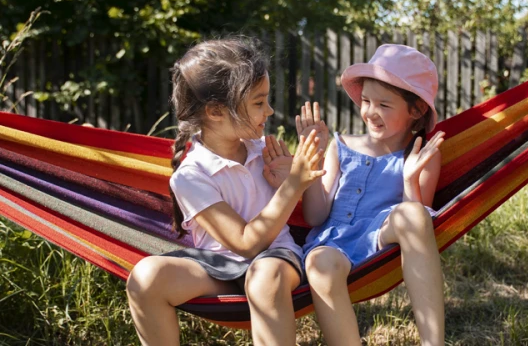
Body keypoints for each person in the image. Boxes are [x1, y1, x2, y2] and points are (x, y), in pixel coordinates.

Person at [126, 37, 326, 346]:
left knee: (264, 277)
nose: (270, 111)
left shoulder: (267, 152)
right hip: (218, 269)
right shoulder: (191, 176)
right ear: (216, 111)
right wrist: (292, 186)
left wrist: (298, 180)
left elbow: (308, 216)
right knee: (146, 276)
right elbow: (245, 243)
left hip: (276, 259)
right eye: (259, 103)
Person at [296, 44, 446, 346]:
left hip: (380, 236)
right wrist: (313, 160)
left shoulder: (419, 155)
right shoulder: (341, 145)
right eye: (365, 101)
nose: (370, 112)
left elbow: (417, 228)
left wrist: (409, 179)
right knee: (319, 264)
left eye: (384, 105)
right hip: (332, 242)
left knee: (415, 213)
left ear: (415, 110)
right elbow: (315, 216)